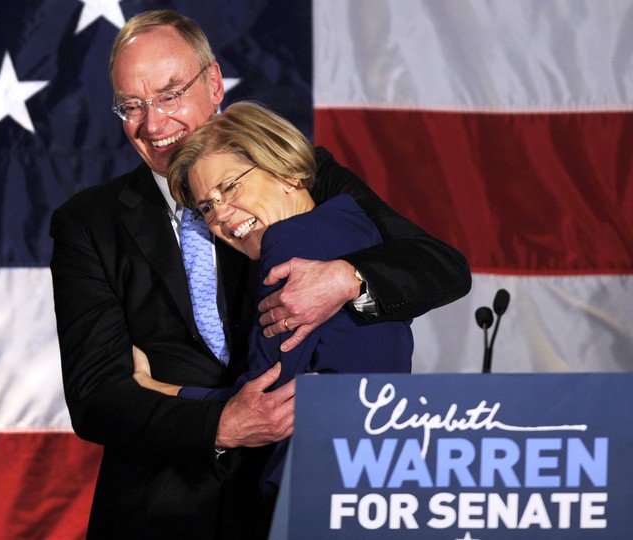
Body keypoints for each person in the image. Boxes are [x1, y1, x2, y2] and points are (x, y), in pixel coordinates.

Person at [49, 9, 470, 539]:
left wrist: (344, 278)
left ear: (215, 83)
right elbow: (97, 397)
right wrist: (221, 425)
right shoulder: (89, 223)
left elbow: (441, 267)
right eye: (132, 106)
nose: (153, 124)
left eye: (170, 93)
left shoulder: (293, 170)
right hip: (159, 512)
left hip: (300, 504)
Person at [134, 100, 414, 510]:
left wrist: (158, 389)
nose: (222, 217)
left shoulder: (289, 240)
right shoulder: (353, 222)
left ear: (284, 170)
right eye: (207, 206)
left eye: (229, 187)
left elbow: (264, 401)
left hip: (320, 489)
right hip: (378, 481)